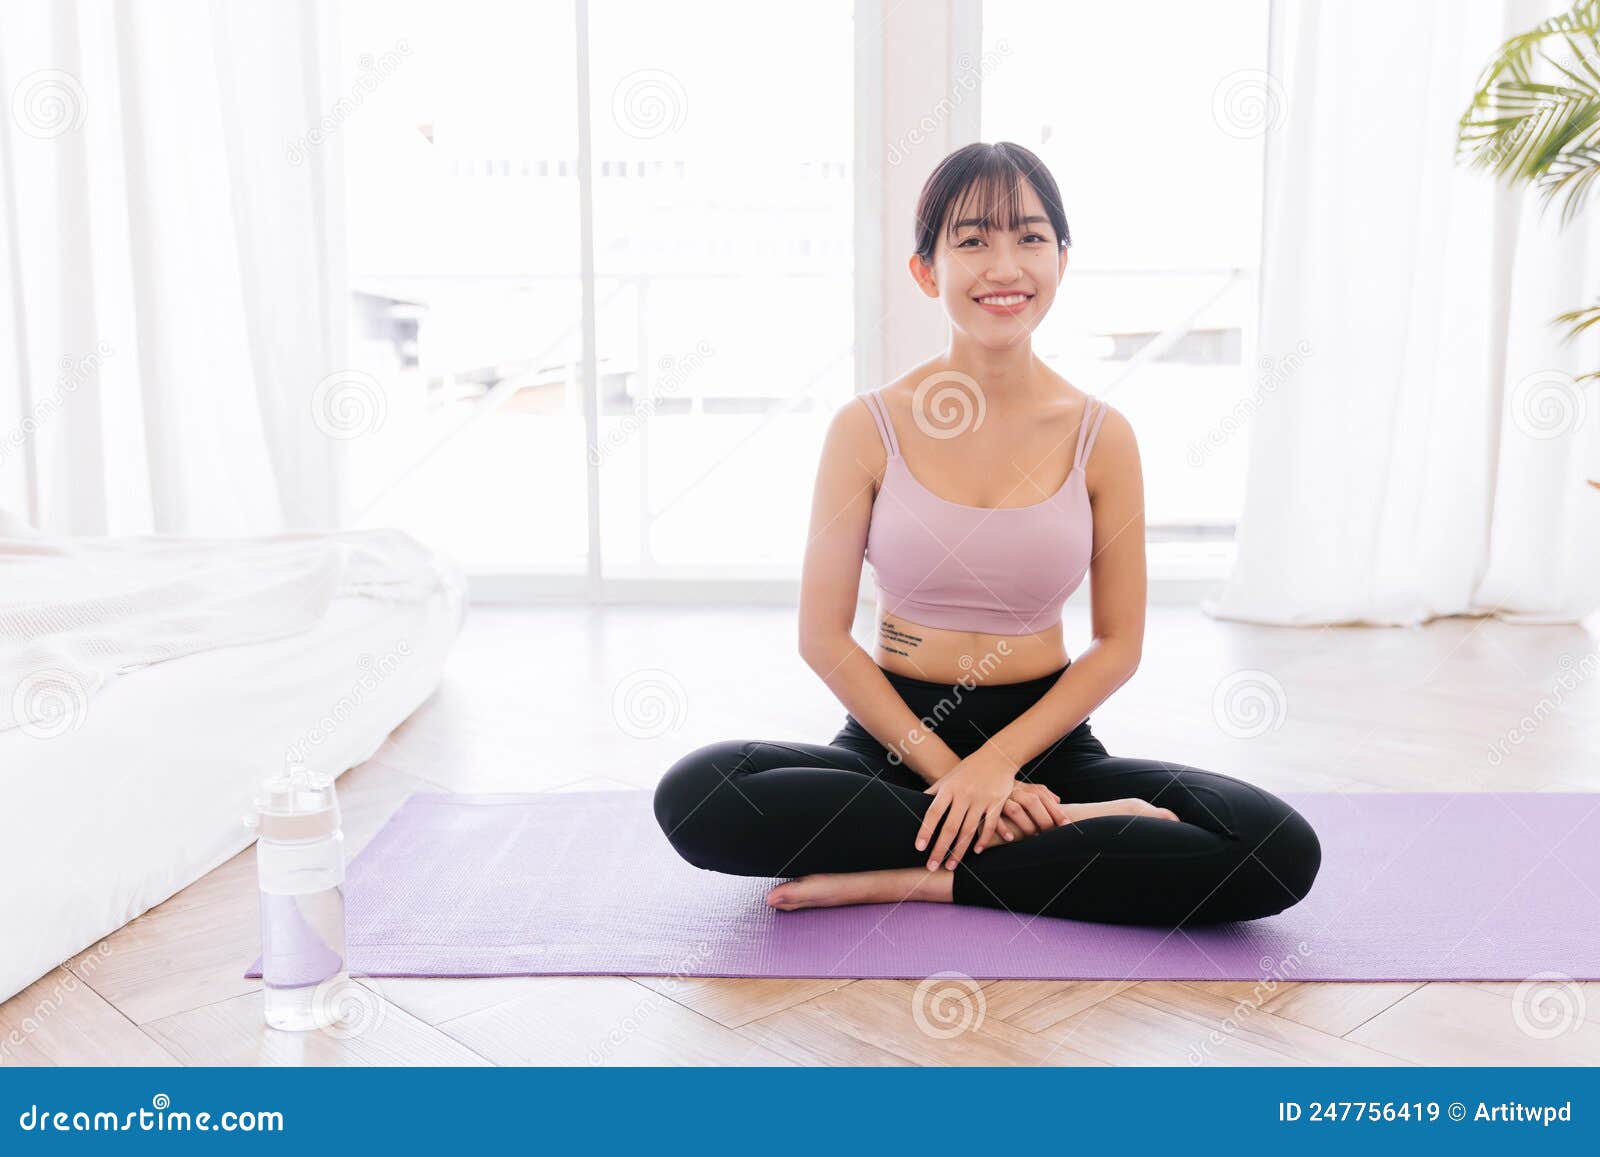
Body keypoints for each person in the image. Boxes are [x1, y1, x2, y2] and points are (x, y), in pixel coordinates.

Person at [653, 141, 1321, 926]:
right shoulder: (866, 428)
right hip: (895, 744)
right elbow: (823, 636)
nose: (1004, 266)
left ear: (1063, 260)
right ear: (927, 270)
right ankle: (1048, 845)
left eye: (1030, 238)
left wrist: (1001, 765)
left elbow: (1118, 643)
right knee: (698, 794)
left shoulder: (1102, 435)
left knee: (1276, 847)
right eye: (972, 240)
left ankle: (918, 876)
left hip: (1048, 748)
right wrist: (954, 777)